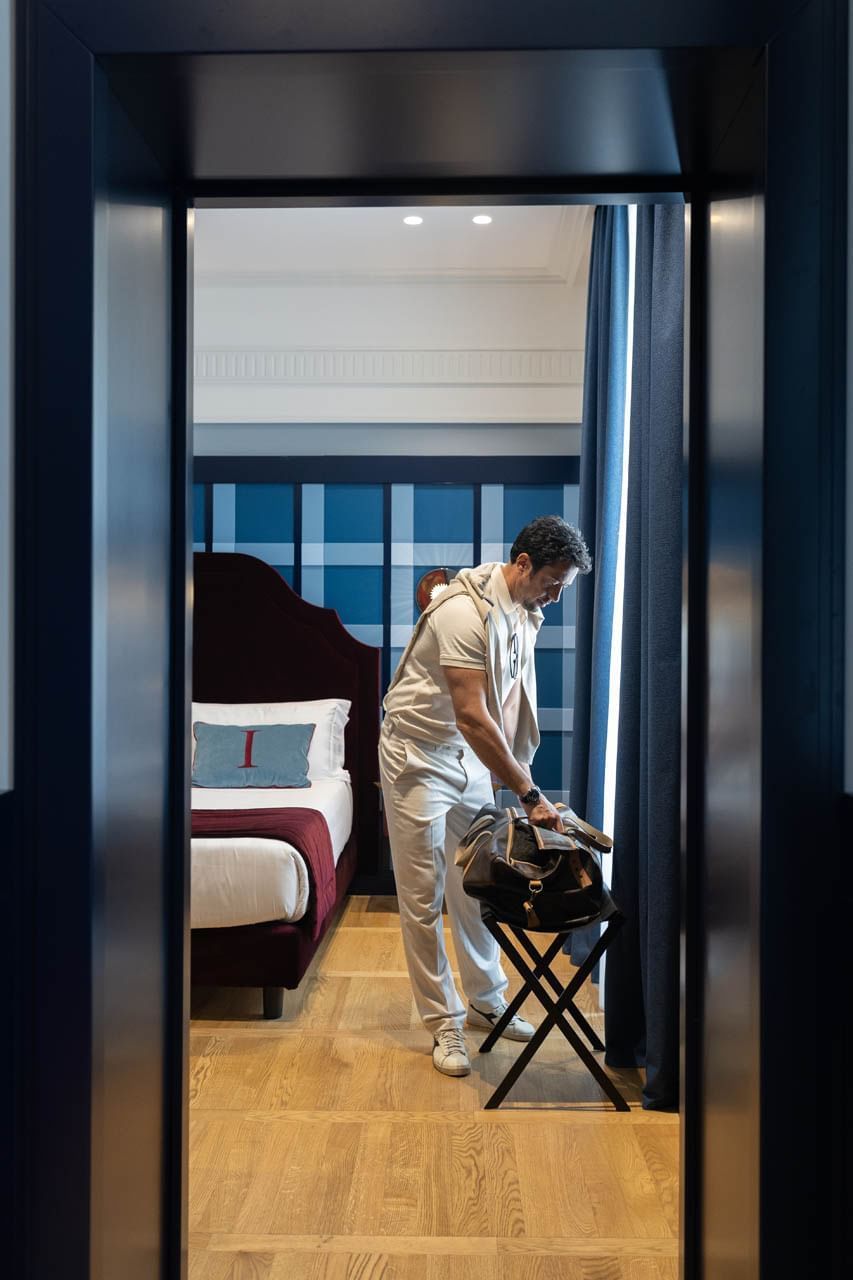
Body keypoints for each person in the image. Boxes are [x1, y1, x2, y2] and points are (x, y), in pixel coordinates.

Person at [379, 514, 592, 1076]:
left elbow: (504, 706)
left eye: (562, 587)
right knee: (423, 896)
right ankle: (442, 1022)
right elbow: (474, 715)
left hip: (466, 758)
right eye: (552, 582)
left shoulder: (523, 609)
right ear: (522, 563)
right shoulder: (459, 612)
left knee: (477, 879)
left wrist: (517, 772)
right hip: (418, 756)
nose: (554, 595)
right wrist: (529, 794)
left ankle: (484, 1000)